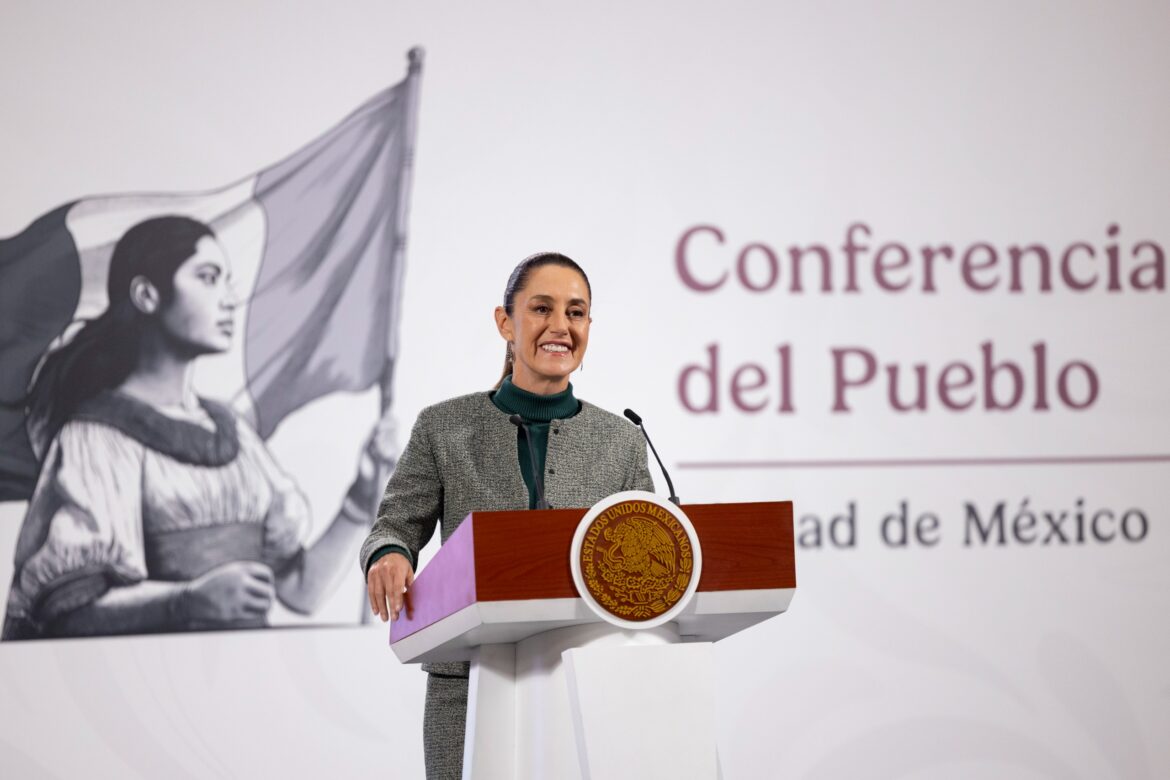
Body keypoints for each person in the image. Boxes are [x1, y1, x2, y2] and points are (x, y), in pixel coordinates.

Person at [2, 215, 392, 640]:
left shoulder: (235, 434)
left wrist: (362, 495)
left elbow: (302, 591)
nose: (228, 299)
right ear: (147, 295)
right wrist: (186, 600)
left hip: (250, 681)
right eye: (208, 278)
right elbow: (66, 613)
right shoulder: (96, 436)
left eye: (227, 280)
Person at [361, 252, 654, 779]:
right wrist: (387, 554)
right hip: (469, 685)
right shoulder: (443, 427)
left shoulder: (623, 441)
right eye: (541, 308)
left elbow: (649, 560)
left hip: (587, 684)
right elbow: (394, 525)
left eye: (576, 312)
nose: (560, 326)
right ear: (505, 323)